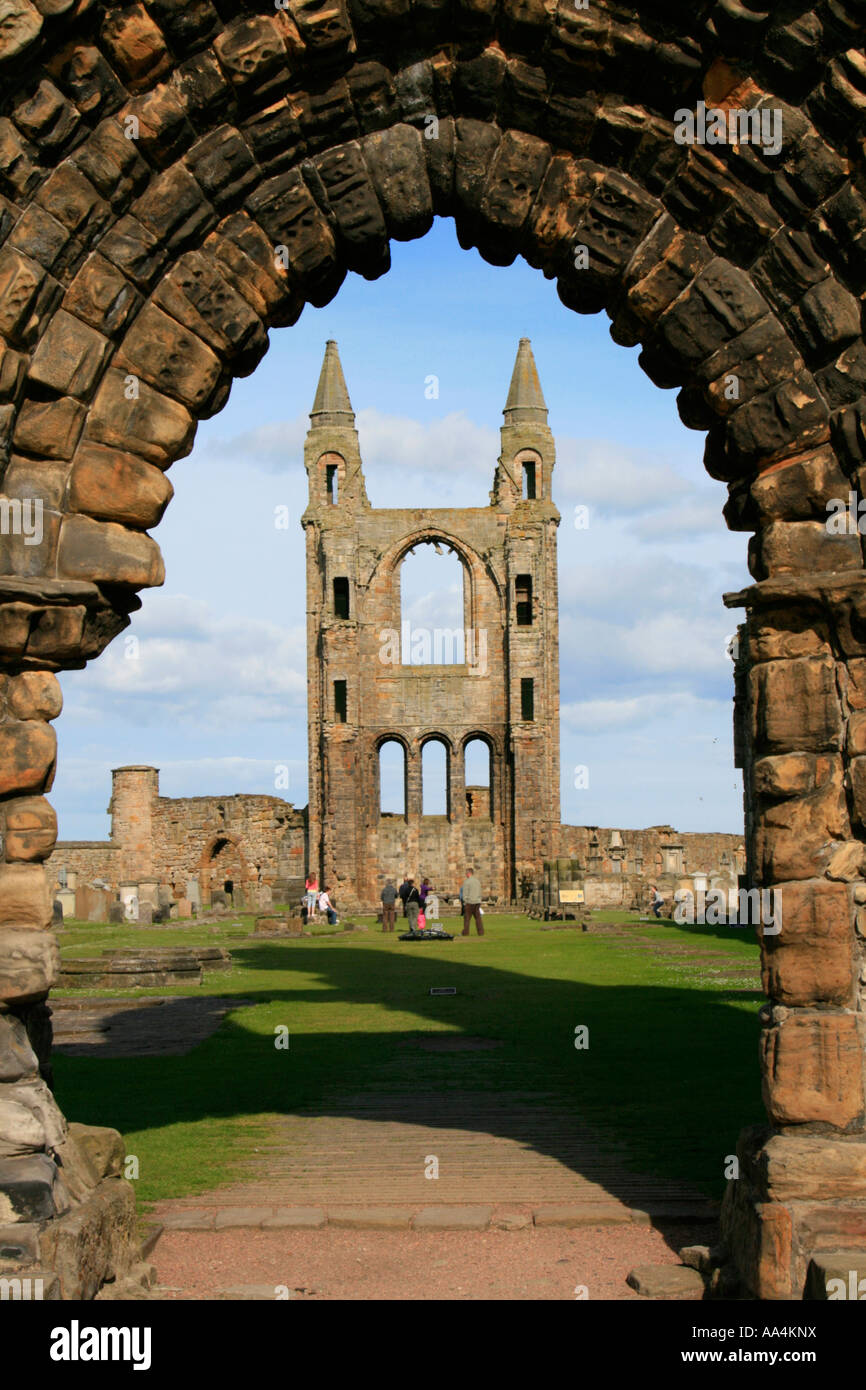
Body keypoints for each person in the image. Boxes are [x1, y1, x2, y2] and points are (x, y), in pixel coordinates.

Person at [461, 867, 484, 936]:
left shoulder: (467, 882)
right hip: (477, 902)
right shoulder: (477, 881)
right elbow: (480, 892)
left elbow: (465, 893)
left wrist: (464, 902)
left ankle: (465, 932)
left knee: (467, 918)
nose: (465, 874)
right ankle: (481, 932)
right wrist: (479, 899)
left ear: (468, 874)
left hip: (469, 902)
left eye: (466, 873)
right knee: (478, 918)